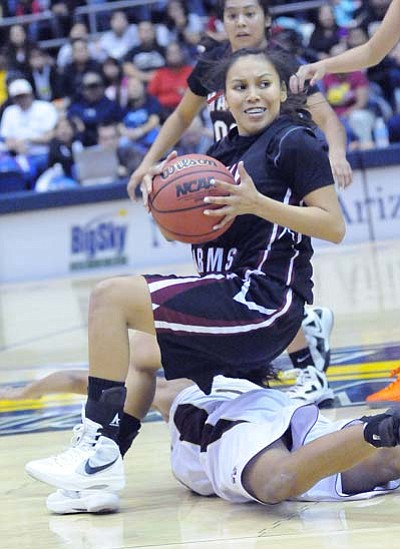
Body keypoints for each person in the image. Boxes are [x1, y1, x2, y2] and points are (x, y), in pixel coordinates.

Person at [24, 47, 346, 501]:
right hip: (230, 293)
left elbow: (334, 226)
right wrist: (165, 207)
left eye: (263, 84)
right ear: (224, 98)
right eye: (240, 87)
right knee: (140, 352)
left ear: (279, 90)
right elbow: (198, 232)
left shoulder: (294, 140)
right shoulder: (221, 151)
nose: (253, 95)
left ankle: (94, 446)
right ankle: (101, 470)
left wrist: (259, 205)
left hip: (263, 301)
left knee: (110, 297)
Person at [128, 0, 352, 405]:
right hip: (219, 177)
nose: (241, 21)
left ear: (265, 18)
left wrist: (335, 151)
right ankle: (261, 367)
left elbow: (324, 116)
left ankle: (307, 368)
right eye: (232, 14)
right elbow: (180, 118)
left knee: (264, 272)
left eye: (250, 13)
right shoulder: (212, 67)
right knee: (226, 279)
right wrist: (148, 164)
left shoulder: (285, 67)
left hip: (264, 179)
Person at [18, 373, 400, 514]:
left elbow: (80, 380)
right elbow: (83, 380)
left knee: (277, 482)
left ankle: (383, 427)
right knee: (385, 463)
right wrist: (27, 389)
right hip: (281, 420)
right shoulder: (179, 386)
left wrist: (26, 391)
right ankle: (383, 427)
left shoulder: (175, 390)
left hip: (236, 429)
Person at [290, 0, 400, 93]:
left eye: (329, 13)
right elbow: (371, 52)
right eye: (324, 14)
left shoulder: (340, 29)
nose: (327, 17)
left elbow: (346, 37)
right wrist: (322, 65)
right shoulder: (315, 32)